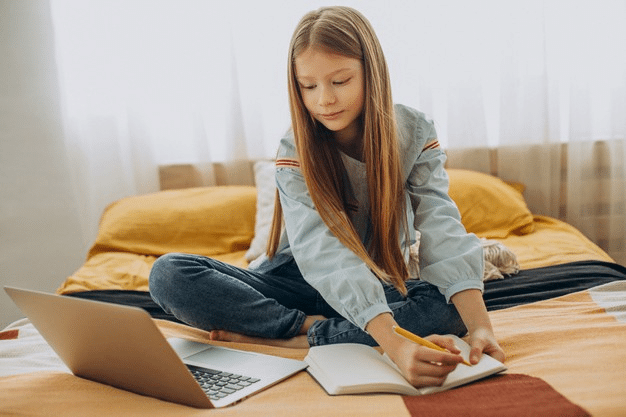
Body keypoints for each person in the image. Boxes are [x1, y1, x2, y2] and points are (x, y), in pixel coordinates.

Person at [149, 6, 505, 388]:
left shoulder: (414, 132)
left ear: (372, 74)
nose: (324, 100)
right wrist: (394, 342)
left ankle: (293, 340)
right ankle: (304, 331)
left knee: (453, 307)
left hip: (377, 282)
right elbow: (321, 252)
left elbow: (440, 226)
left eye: (340, 81)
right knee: (169, 275)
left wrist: (481, 328)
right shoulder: (295, 148)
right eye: (309, 86)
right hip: (293, 285)